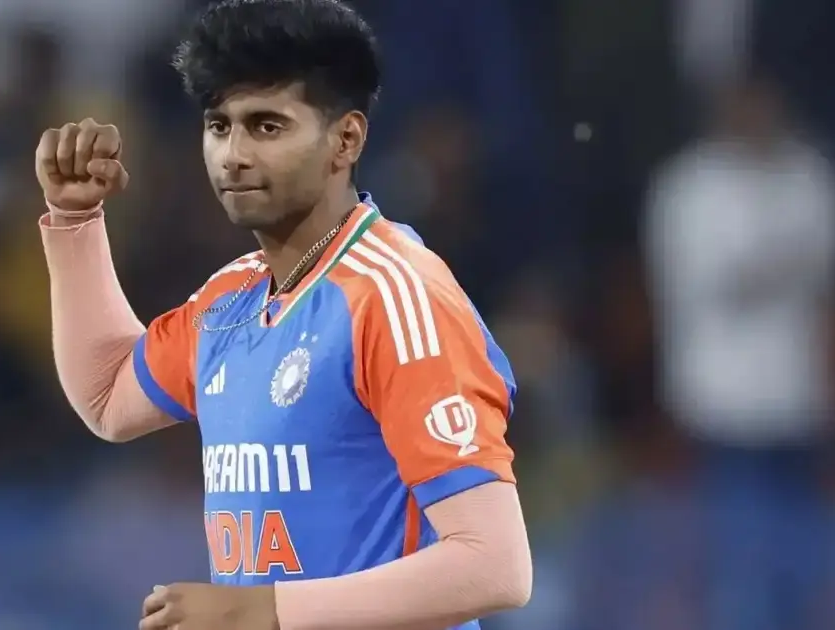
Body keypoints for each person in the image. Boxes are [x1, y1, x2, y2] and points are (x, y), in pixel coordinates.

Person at [36, 1, 531, 628]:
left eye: (267, 126)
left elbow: (495, 565)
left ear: (346, 139)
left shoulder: (395, 297)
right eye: (220, 126)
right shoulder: (231, 299)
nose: (233, 155)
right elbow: (108, 396)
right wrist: (76, 220)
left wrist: (262, 610)